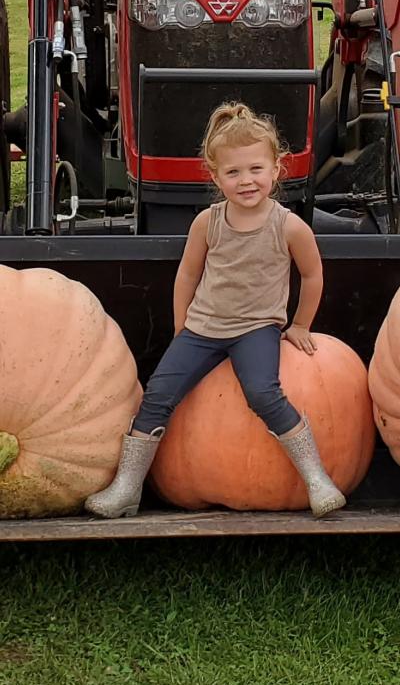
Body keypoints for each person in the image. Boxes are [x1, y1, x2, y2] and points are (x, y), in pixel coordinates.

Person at [84, 103, 346, 519]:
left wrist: (299, 324)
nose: (246, 181)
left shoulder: (289, 226)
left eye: (256, 169)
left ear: (277, 169)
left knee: (264, 393)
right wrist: (180, 326)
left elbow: (312, 275)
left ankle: (317, 478)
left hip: (256, 329)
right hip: (203, 328)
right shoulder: (208, 223)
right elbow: (187, 276)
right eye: (234, 172)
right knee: (158, 394)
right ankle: (127, 487)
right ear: (215, 177)